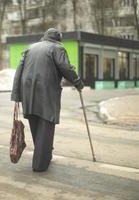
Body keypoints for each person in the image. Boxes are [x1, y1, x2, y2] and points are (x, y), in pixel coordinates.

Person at [11, 28, 84, 172]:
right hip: (46, 93)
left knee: (36, 125)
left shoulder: (30, 48)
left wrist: (17, 95)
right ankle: (40, 164)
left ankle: (46, 155)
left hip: (27, 93)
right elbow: (66, 68)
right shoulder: (57, 48)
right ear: (58, 39)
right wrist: (78, 82)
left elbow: (18, 71)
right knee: (46, 126)